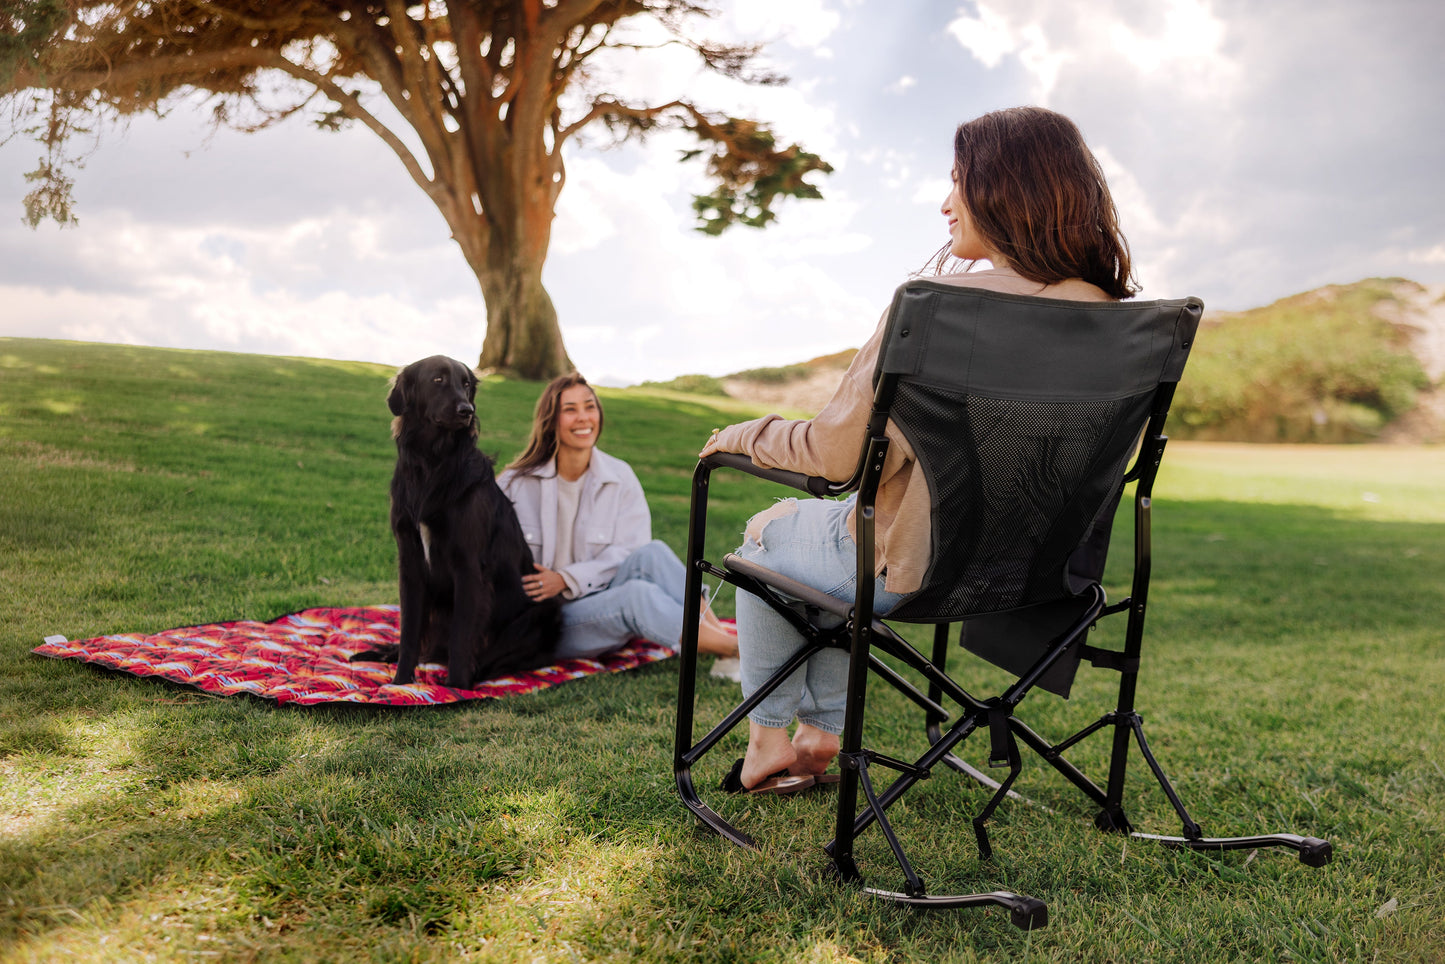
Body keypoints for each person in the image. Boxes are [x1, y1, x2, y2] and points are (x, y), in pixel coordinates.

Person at [700, 106, 1138, 793]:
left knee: (769, 540)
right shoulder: (1121, 324)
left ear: (1003, 188)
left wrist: (740, 435)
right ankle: (818, 736)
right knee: (815, 557)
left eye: (958, 181)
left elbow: (835, 455)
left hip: (912, 570)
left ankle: (767, 743)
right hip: (1033, 577)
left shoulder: (936, 308)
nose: (944, 203)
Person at [499, 372, 740, 662]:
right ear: (550, 420)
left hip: (599, 596)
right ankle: (736, 650)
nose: (583, 418)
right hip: (547, 621)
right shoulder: (515, 483)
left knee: (652, 553)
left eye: (589, 407)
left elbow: (631, 550)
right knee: (636, 595)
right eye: (570, 409)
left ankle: (718, 639)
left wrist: (566, 578)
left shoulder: (619, 475)